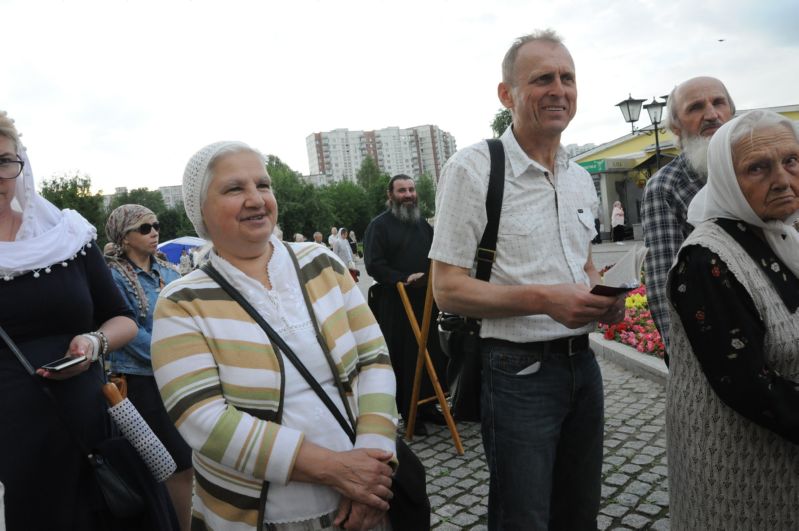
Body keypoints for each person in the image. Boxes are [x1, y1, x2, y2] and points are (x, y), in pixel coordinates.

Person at [429, 31, 625, 530]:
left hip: (584, 366)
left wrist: (605, 298)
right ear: (507, 95)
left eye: (567, 78)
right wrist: (544, 299)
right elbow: (446, 288)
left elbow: (583, 265)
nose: (559, 89)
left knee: (579, 513)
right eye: (542, 79)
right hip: (516, 371)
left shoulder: (578, 176)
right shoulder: (473, 169)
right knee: (524, 518)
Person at [152, 141, 398, 531]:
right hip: (260, 517)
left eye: (263, 185)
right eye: (235, 188)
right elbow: (202, 417)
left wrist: (373, 464)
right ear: (201, 210)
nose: (256, 199)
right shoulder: (181, 301)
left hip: (362, 499)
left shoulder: (322, 264)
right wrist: (335, 469)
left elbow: (374, 360)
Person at [0, 111, 140, 529]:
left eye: (4, 161)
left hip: (85, 422)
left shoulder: (66, 236)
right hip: (9, 438)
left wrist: (94, 343)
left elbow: (123, 318)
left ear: (21, 163)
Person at [665, 110, 799, 529]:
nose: (782, 179)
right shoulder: (707, 260)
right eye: (758, 168)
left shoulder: (782, 232)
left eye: (791, 161)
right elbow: (748, 385)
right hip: (742, 464)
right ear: (726, 179)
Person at [104, 204, 194, 531]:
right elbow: (128, 331)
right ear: (124, 237)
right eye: (144, 228)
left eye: (155, 225)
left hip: (178, 376)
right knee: (172, 465)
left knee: (187, 462)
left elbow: (188, 315)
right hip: (140, 382)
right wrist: (170, 354)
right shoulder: (112, 275)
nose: (154, 232)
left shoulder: (169, 271)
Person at [641, 77, 735, 353]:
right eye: (695, 107)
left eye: (718, 103)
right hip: (722, 337)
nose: (711, 114)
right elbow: (664, 284)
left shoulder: (764, 166)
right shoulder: (665, 187)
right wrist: (682, 358)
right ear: (676, 126)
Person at [364, 174, 449, 435]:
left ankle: (428, 406)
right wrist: (402, 278)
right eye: (402, 190)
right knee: (405, 357)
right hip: (397, 303)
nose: (409, 195)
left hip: (426, 302)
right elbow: (374, 264)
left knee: (431, 354)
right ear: (390, 195)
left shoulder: (422, 225)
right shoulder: (379, 226)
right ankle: (408, 411)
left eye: (411, 189)